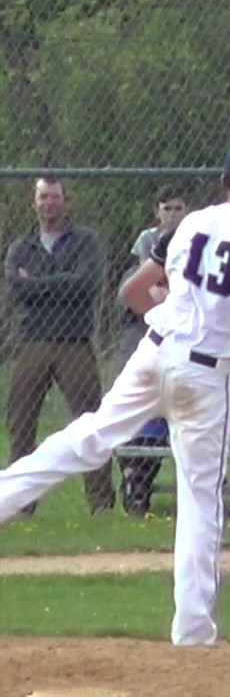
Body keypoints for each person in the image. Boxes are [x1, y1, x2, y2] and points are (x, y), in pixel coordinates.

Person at [0, 137, 230, 645]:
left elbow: (133, 292)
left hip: (155, 350)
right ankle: (193, 632)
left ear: (224, 182)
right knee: (200, 498)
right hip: (206, 375)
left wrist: (176, 305)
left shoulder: (189, 222)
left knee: (87, 438)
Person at [4, 176, 112, 516]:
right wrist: (55, 284)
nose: (49, 203)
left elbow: (85, 284)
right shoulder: (21, 246)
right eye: (43, 197)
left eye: (55, 197)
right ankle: (20, 505)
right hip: (32, 341)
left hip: (74, 341)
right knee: (21, 422)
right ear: (33, 204)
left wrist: (37, 284)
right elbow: (16, 290)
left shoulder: (85, 241)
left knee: (91, 422)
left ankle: (101, 504)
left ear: (67, 202)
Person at [115, 185, 189, 516]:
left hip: (182, 339)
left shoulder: (194, 241)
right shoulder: (147, 244)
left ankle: (138, 479)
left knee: (162, 412)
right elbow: (135, 293)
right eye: (167, 209)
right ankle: (134, 477)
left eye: (178, 208)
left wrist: (166, 296)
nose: (173, 214)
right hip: (146, 332)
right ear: (157, 212)